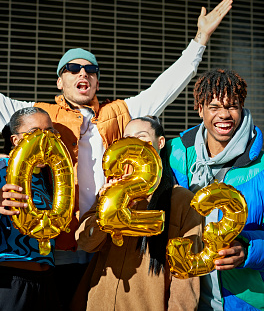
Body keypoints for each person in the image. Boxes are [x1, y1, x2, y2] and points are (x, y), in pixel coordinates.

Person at [0, 0, 232, 307]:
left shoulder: (120, 113)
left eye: (90, 69)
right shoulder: (38, 117)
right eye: (73, 69)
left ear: (97, 80)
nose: (83, 73)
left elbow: (165, 88)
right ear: (60, 81)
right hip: (50, 252)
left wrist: (199, 42)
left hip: (102, 246)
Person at [165, 69, 264, 310]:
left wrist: (248, 249)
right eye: (214, 106)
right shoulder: (173, 155)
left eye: (232, 106)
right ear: (200, 109)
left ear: (242, 109)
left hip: (246, 302)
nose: (224, 115)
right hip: (180, 299)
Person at [72, 116, 203, 311]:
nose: (133, 145)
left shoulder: (181, 200)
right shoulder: (111, 191)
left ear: (160, 142)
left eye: (141, 137)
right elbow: (84, 242)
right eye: (127, 139)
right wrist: (106, 212)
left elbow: (186, 276)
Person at [0, 107, 63, 311]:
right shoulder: (0, 168)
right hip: (9, 284)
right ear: (15, 140)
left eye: (50, 132)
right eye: (35, 132)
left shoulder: (49, 176)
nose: (44, 140)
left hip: (47, 282)